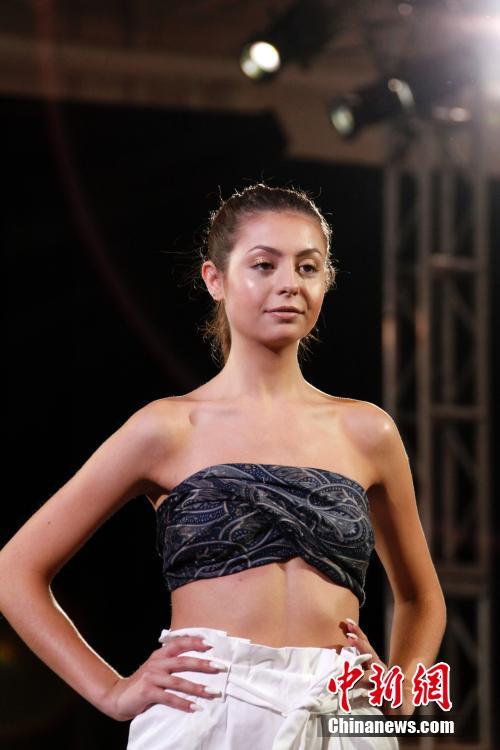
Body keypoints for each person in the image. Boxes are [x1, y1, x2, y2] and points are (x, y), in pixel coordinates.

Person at [0, 183, 446, 749]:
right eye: (264, 264)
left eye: (308, 266)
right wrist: (111, 692)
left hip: (338, 710)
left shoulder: (367, 431)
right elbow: (14, 570)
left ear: (325, 281)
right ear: (215, 279)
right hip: (206, 708)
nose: (289, 283)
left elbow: (421, 597)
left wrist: (398, 692)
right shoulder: (168, 428)